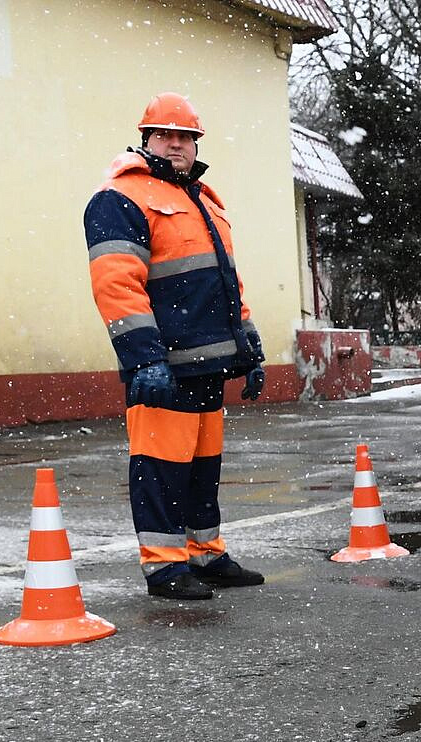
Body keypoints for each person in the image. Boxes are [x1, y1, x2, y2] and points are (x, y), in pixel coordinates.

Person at [84, 92, 267, 601]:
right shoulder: (120, 197)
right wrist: (145, 358)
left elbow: (228, 284)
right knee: (161, 469)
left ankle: (204, 554)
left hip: (208, 364)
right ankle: (165, 568)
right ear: (146, 140)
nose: (175, 144)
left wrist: (248, 348)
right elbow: (117, 284)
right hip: (163, 367)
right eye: (165, 134)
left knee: (202, 470)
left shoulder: (204, 199)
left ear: (195, 144)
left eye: (185, 136)